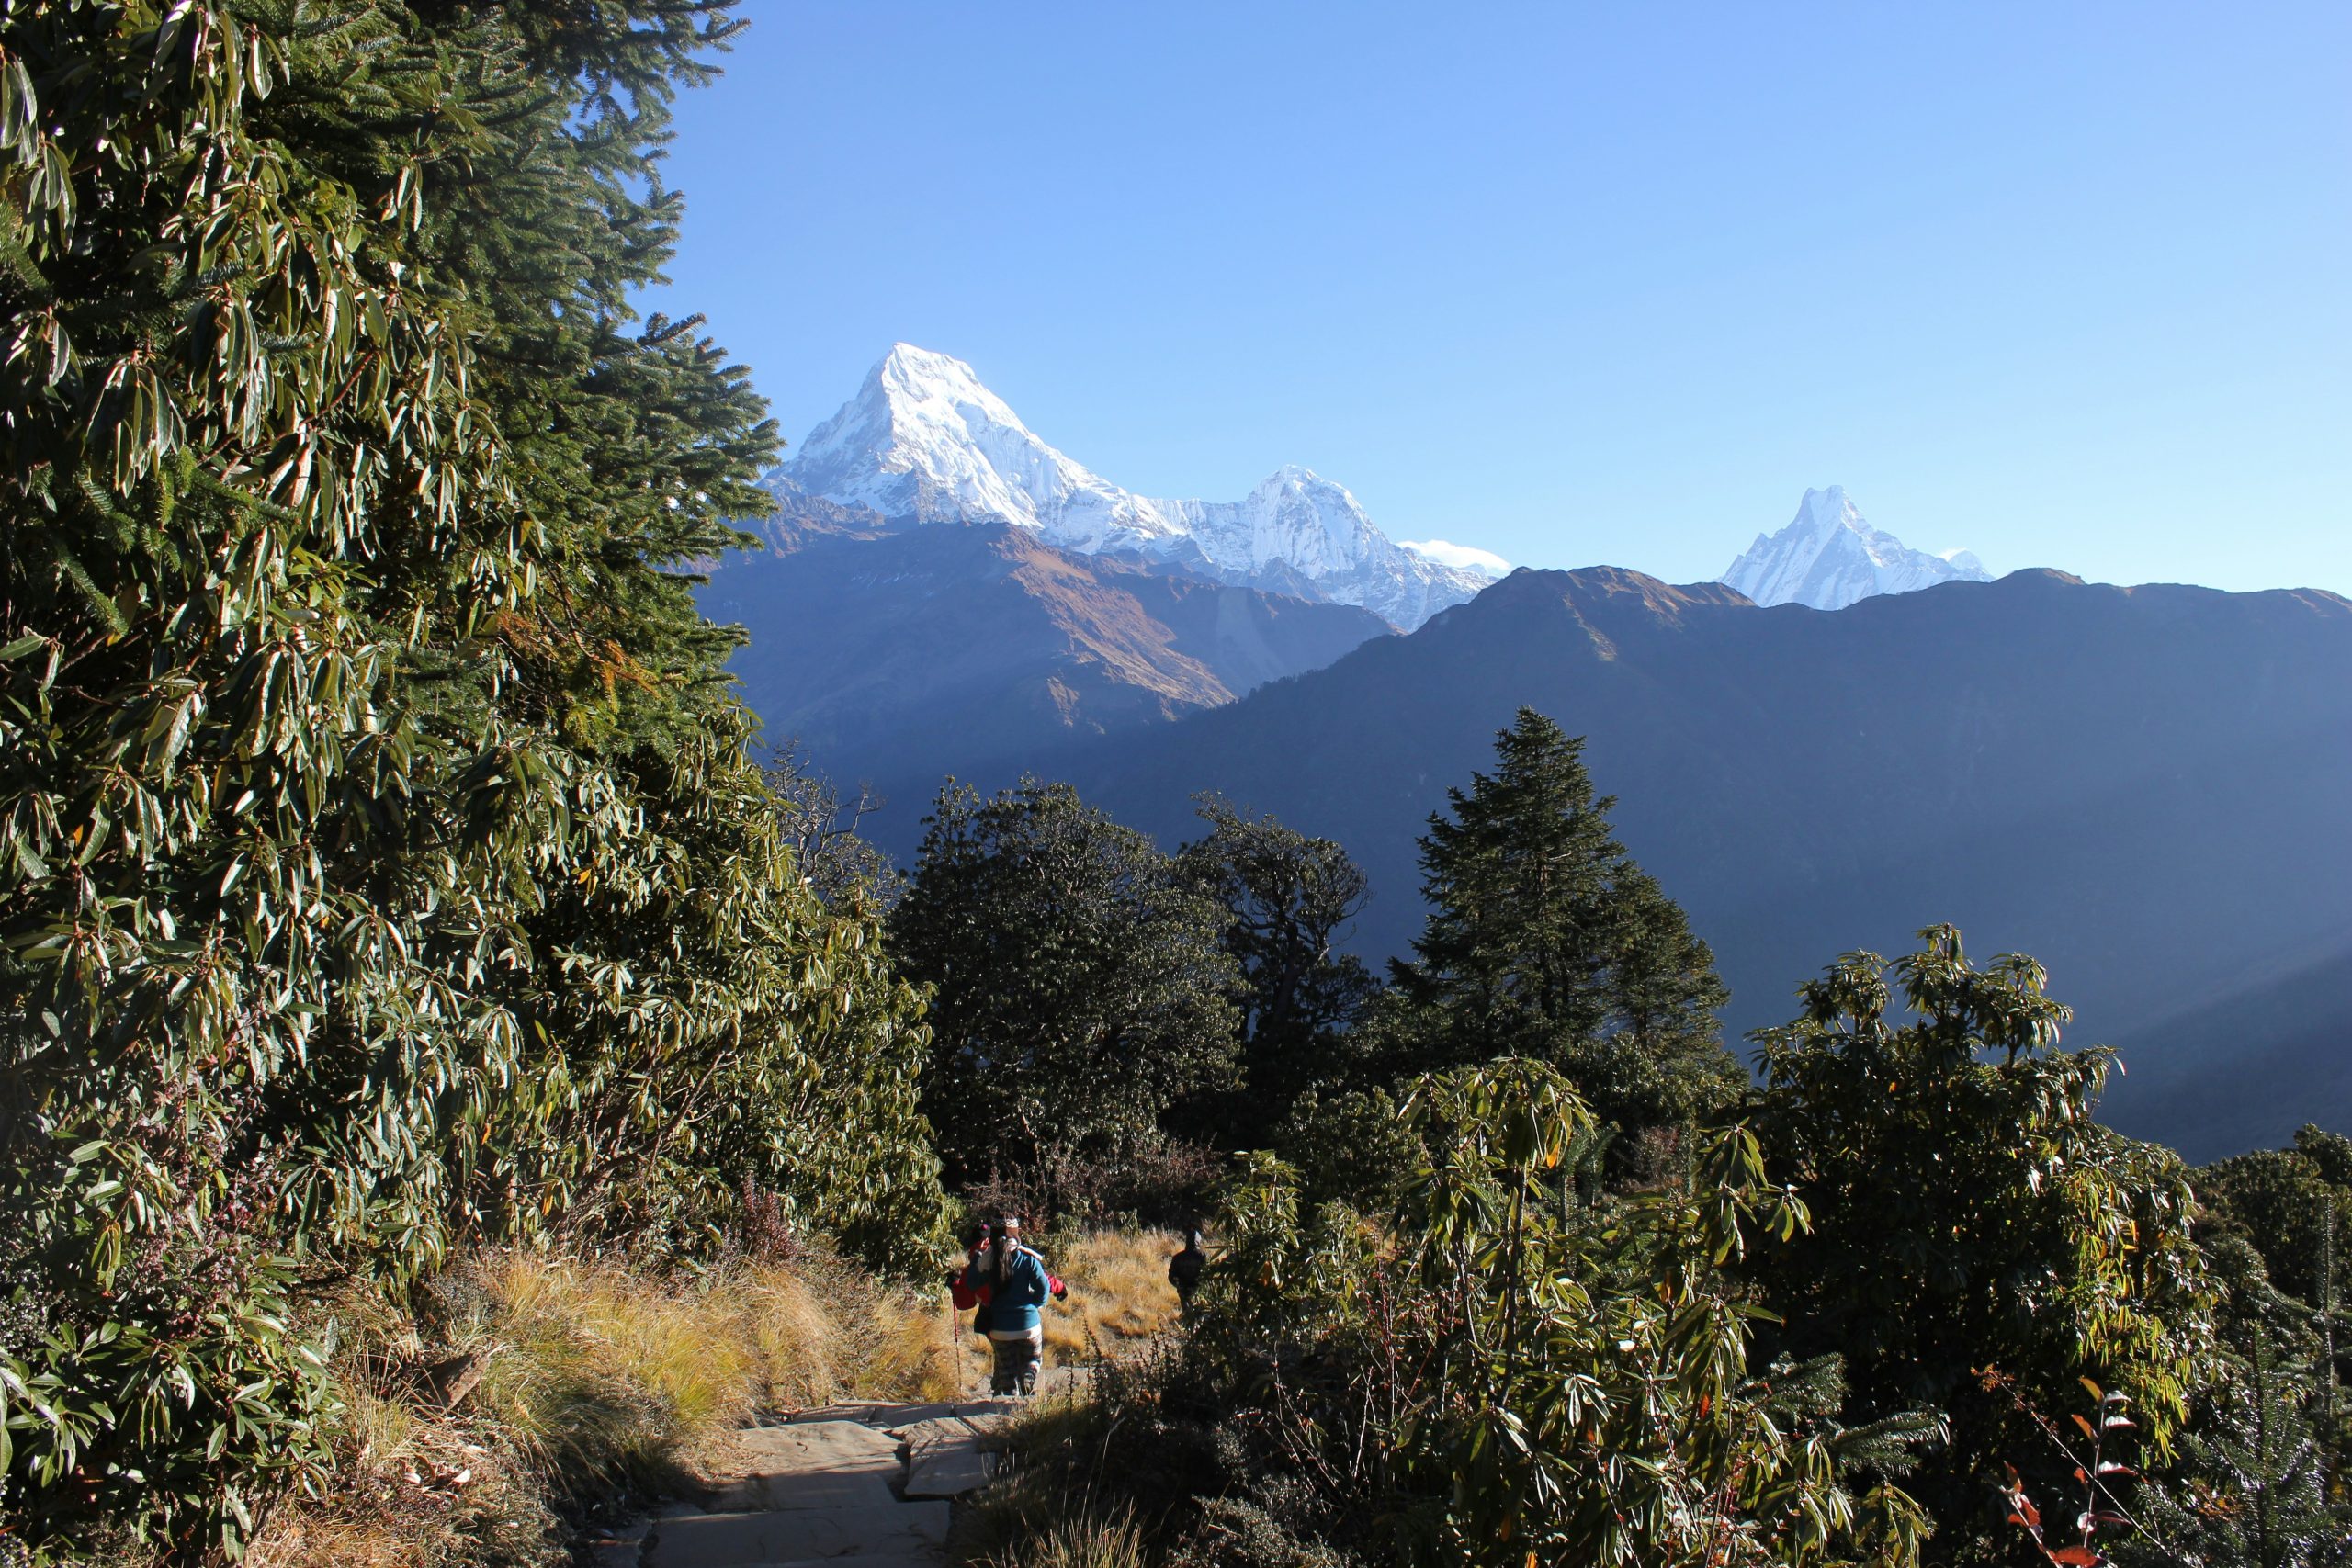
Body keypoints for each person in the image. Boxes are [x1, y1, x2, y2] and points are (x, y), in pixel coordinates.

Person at [962, 1215, 1065, 1396]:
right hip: (1028, 1325)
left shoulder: (988, 1261)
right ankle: (1028, 1376)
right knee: (1034, 1359)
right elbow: (1044, 1286)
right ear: (1016, 1235)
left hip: (1000, 1328)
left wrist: (975, 1262)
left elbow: (971, 1283)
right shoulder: (1028, 1260)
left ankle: (1008, 1403)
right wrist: (1035, 1304)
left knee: (1006, 1373)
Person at [947, 1222, 995, 1337]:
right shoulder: (1011, 1256)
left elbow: (964, 1303)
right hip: (1027, 1321)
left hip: (996, 1326)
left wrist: (954, 1284)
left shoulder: (971, 1271)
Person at [1168, 1224, 1206, 1306]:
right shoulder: (1203, 1256)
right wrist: (1196, 1287)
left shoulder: (1177, 1257)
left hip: (1183, 1291)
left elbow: (1171, 1276)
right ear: (1198, 1241)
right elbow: (1208, 1274)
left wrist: (1181, 1286)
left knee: (1186, 1311)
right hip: (1199, 1291)